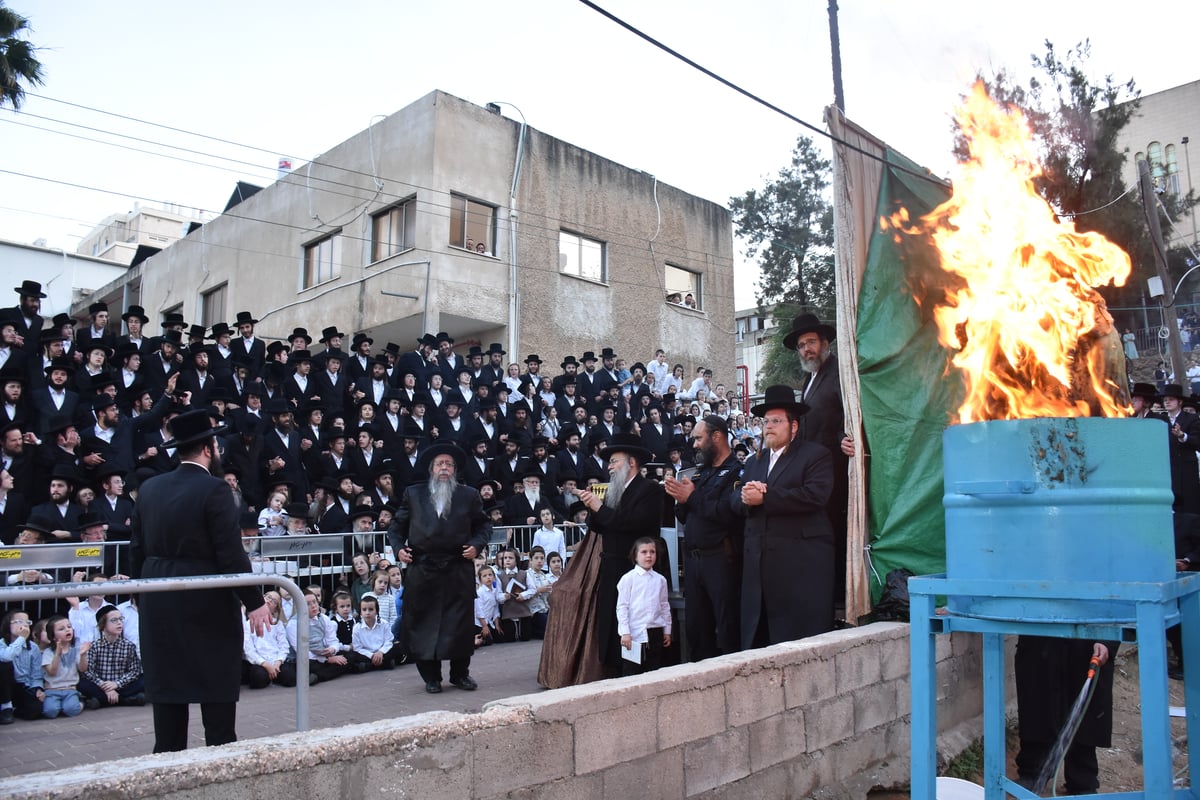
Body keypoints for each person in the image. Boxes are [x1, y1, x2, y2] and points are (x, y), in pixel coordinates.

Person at [129, 408, 273, 752]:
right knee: (216, 692)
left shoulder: (149, 488)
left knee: (168, 696)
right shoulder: (214, 489)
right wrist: (254, 601)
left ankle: (167, 764)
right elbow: (230, 552)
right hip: (204, 596)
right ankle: (219, 762)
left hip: (158, 593)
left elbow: (136, 547)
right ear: (209, 449)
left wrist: (139, 590)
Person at [541, 432, 665, 684]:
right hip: (610, 566)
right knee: (612, 622)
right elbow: (600, 527)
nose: (608, 467)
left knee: (635, 622)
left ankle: (636, 674)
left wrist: (600, 508)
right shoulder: (614, 490)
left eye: (614, 461)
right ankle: (615, 670)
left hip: (634, 570)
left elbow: (633, 524)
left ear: (631, 463)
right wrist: (591, 507)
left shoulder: (649, 489)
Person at [731, 385, 834, 648]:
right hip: (759, 571)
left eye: (777, 421)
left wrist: (767, 497)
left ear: (794, 426)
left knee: (796, 643)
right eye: (766, 421)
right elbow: (735, 498)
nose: (769, 427)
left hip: (797, 571)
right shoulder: (755, 461)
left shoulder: (815, 455)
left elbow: (815, 495)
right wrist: (745, 497)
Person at [390, 441, 490, 694]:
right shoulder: (413, 494)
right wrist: (399, 549)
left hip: (457, 568)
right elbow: (395, 528)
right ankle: (431, 678)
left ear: (454, 470)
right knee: (424, 625)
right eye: (440, 464)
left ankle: (460, 675)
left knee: (459, 627)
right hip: (423, 570)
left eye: (449, 464)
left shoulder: (469, 495)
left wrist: (476, 546)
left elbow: (484, 527)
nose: (444, 468)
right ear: (431, 469)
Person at [782, 313, 853, 619]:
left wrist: (844, 437)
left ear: (825, 343)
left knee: (834, 528)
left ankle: (840, 594)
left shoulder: (840, 372)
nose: (806, 350)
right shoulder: (809, 377)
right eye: (801, 345)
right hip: (812, 469)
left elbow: (848, 414)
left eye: (810, 342)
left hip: (836, 467)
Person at [664, 414, 743, 660]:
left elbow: (728, 513)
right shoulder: (700, 473)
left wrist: (693, 498)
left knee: (727, 629)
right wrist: (681, 498)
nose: (695, 444)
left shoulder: (737, 472)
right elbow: (685, 515)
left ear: (716, 436)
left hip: (720, 560)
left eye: (699, 438)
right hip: (694, 561)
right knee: (697, 631)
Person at [1015, 638, 1116, 794]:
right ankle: (1032, 770)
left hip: (1088, 632)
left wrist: (1106, 641)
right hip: (1041, 628)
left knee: (1085, 710)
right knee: (1037, 700)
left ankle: (1081, 779)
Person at [616, 537, 671, 676]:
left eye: (652, 552)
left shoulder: (660, 580)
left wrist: (667, 631)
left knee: (654, 670)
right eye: (644, 552)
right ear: (635, 556)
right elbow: (622, 607)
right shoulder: (628, 579)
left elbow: (664, 605)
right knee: (631, 671)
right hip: (634, 633)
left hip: (655, 631)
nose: (648, 555)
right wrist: (625, 632)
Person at [78, 604, 145, 708]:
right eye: (114, 620)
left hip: (122, 685)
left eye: (121, 619)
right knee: (82, 684)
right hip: (101, 686)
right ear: (103, 625)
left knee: (143, 681)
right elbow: (88, 672)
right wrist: (104, 686)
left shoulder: (128, 646)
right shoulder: (94, 646)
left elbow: (134, 671)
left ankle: (102, 701)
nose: (119, 623)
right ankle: (125, 700)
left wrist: (117, 684)